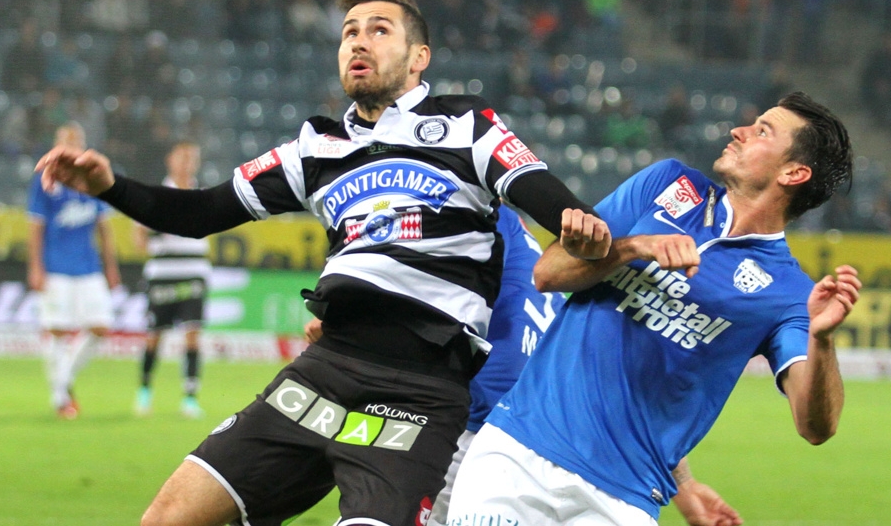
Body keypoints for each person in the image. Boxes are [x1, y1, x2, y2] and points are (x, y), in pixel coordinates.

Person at [35, 0, 612, 526]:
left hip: (420, 389)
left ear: (419, 58)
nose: (359, 40)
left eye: (380, 29)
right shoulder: (315, 151)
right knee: (169, 516)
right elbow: (199, 213)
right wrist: (110, 187)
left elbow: (558, 208)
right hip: (324, 371)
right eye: (349, 31)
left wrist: (582, 230)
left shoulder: (467, 128)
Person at [447, 91, 860, 526]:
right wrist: (632, 248)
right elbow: (548, 273)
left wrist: (822, 340)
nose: (738, 131)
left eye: (762, 132)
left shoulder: (789, 292)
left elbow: (816, 427)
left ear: (794, 172)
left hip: (622, 500)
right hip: (517, 453)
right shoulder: (667, 185)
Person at [304, 205, 742, 526]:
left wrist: (353, 336)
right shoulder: (525, 247)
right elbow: (615, 389)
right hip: (530, 444)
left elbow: (423, 316)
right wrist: (684, 485)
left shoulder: (469, 223)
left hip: (476, 441)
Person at [27, 121, 121, 419]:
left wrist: (111, 267)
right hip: (56, 267)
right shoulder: (46, 179)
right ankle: (60, 398)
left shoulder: (94, 178)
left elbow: (105, 228)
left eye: (76, 141)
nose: (71, 146)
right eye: (66, 141)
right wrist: (36, 268)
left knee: (101, 326)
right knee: (56, 329)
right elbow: (35, 227)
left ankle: (62, 382)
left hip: (88, 266)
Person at [133, 140, 212, 419]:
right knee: (155, 335)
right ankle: (144, 391)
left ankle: (190, 398)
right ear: (170, 160)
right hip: (162, 272)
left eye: (192, 158)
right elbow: (139, 239)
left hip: (194, 271)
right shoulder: (155, 196)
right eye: (183, 157)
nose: (187, 163)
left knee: (192, 335)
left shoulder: (203, 194)